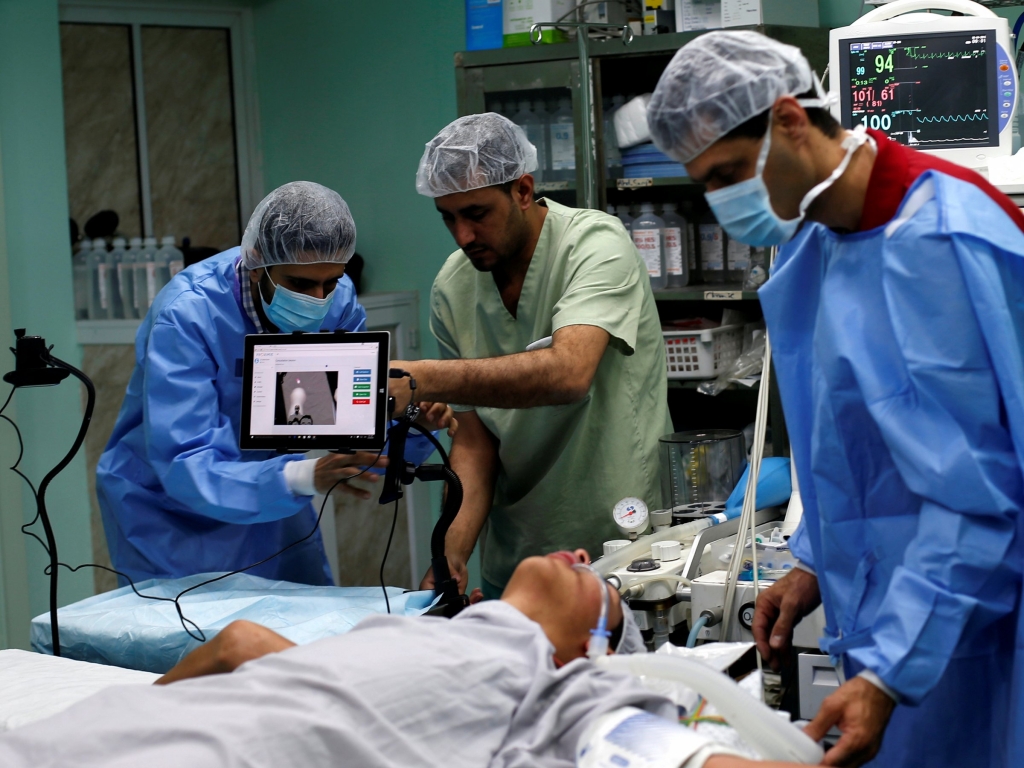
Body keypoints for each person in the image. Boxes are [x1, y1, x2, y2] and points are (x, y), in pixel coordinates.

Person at [646, 30, 1024, 768]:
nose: (723, 201)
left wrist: (890, 674)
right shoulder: (813, 244)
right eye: (706, 184)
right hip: (890, 625)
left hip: (969, 626)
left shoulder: (942, 241)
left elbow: (979, 495)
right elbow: (848, 448)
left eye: (727, 172)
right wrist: (814, 565)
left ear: (790, 118)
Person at [0, 549, 732, 768]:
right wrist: (153, 709)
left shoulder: (557, 696)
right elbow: (240, 644)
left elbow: (685, 761)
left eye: (598, 581)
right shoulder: (424, 632)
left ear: (591, 649)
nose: (580, 554)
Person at [97, 181, 455, 587]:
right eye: (300, 285)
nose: (318, 300)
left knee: (293, 640)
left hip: (274, 497)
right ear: (256, 262)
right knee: (197, 641)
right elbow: (185, 461)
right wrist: (301, 477)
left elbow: (350, 426)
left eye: (331, 282)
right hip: (171, 516)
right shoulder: (187, 316)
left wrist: (414, 421)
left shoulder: (337, 302)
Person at [393, 113, 673, 599]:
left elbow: (568, 374)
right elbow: (475, 443)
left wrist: (423, 377)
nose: (462, 236)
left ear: (523, 191)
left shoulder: (595, 244)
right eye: (448, 217)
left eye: (477, 214)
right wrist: (452, 554)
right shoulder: (452, 287)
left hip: (620, 542)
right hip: (520, 557)